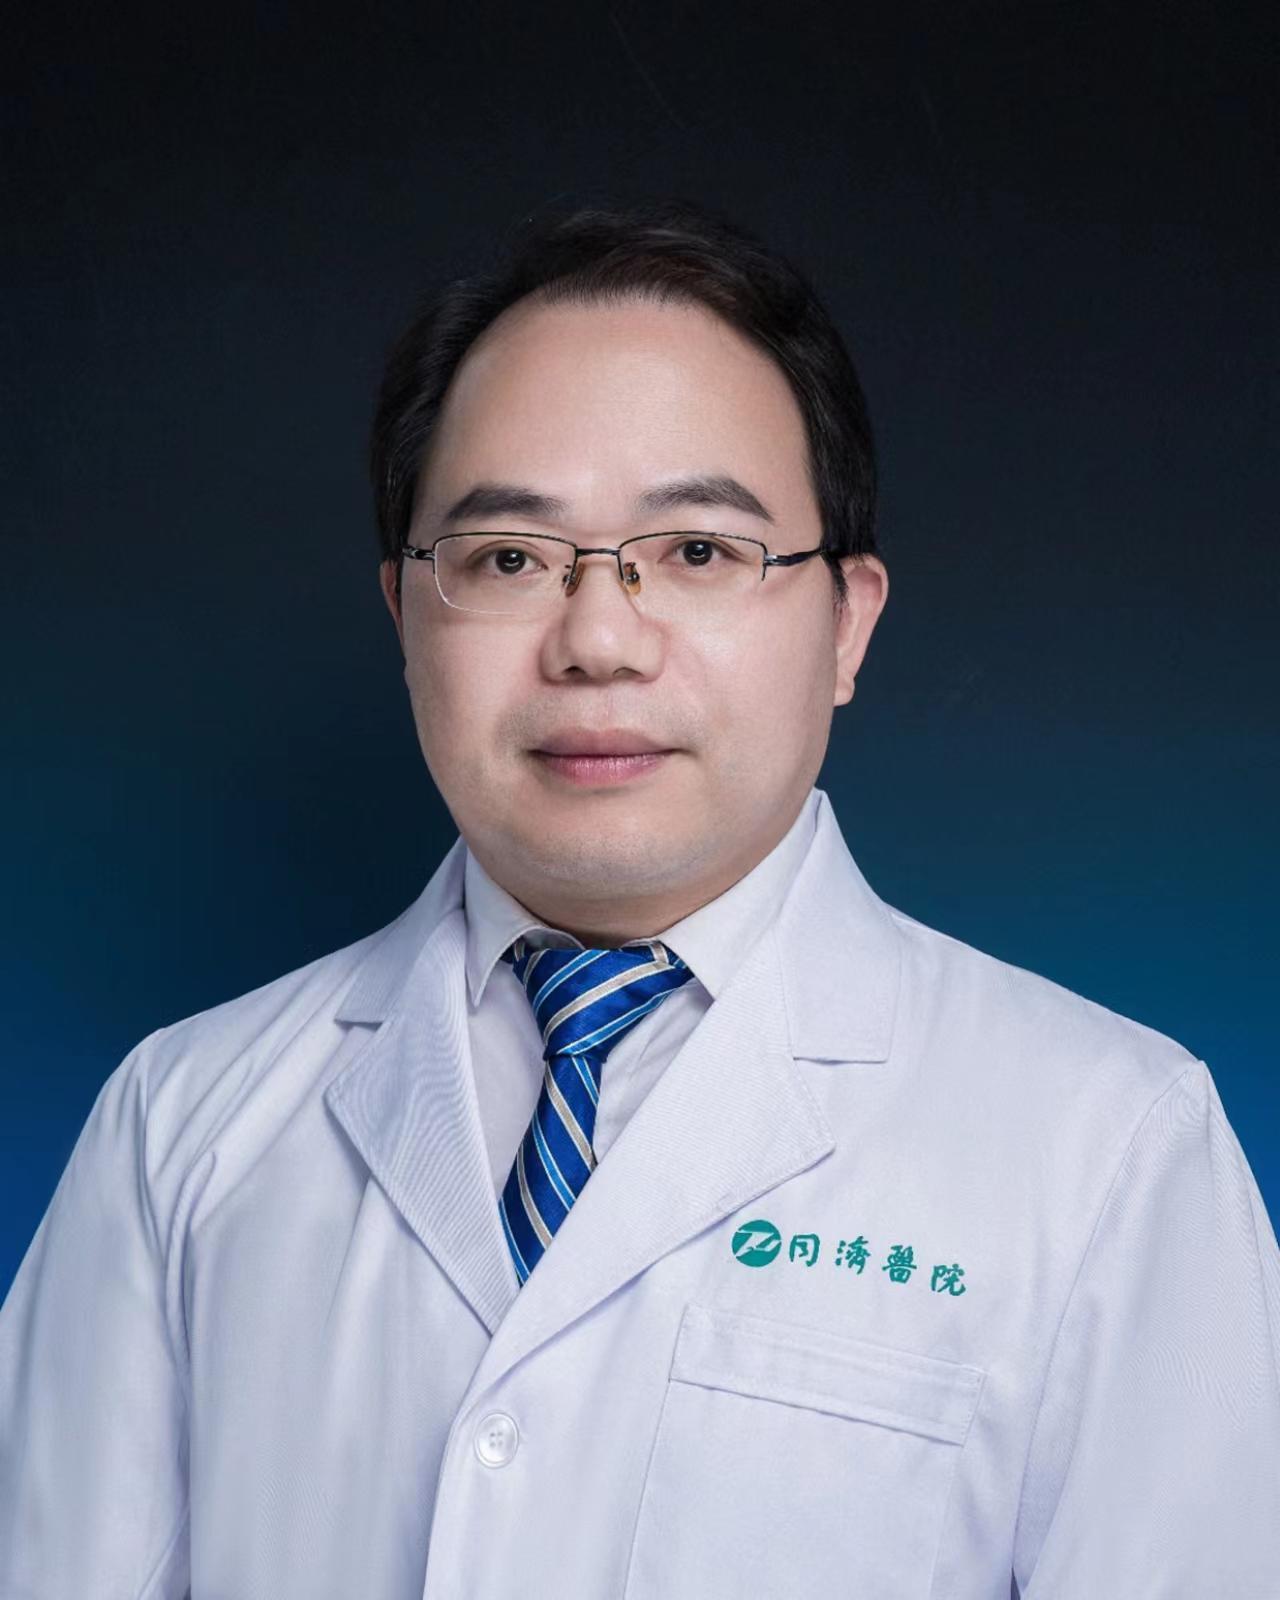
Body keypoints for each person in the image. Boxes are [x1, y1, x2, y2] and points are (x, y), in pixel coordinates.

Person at [1, 199, 1277, 1599]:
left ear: (847, 623)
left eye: (698, 552)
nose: (599, 640)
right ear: (406, 618)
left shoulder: (1110, 1152)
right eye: (507, 559)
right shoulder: (180, 1129)